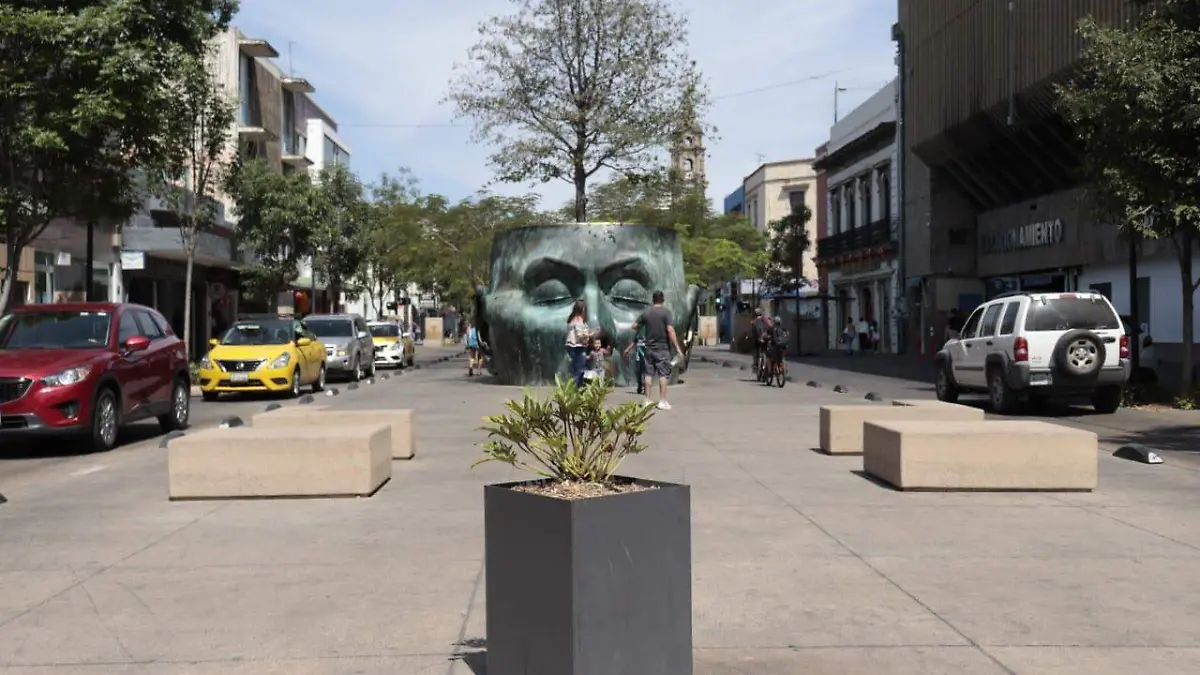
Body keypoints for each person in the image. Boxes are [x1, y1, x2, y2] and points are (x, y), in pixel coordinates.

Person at [630, 290, 684, 410]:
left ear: (653, 299)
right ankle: (662, 401)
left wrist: (642, 326)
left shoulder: (646, 312)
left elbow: (634, 326)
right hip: (662, 348)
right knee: (663, 375)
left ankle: (647, 400)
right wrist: (678, 348)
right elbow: (670, 330)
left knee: (648, 374)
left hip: (648, 348)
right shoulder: (666, 313)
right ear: (663, 300)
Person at [565, 299, 591, 387]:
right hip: (578, 347)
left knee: (575, 369)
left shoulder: (571, 320)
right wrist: (590, 334)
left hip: (571, 347)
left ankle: (575, 389)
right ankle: (575, 390)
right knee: (579, 371)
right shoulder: (578, 320)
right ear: (583, 309)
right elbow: (580, 335)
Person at [622, 325, 648, 395]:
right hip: (638, 356)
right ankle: (640, 386)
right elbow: (634, 342)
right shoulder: (637, 334)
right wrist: (627, 349)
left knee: (646, 372)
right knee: (638, 372)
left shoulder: (647, 333)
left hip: (646, 356)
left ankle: (646, 388)